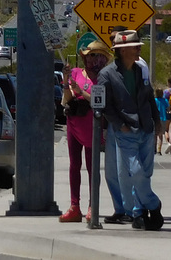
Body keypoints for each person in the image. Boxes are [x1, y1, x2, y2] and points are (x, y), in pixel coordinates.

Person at [98, 29, 163, 231]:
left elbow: (149, 96)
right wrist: (120, 125)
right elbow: (104, 106)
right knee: (134, 171)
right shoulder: (106, 75)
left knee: (145, 172)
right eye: (135, 47)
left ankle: (139, 212)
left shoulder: (140, 71)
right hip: (125, 132)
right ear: (123, 50)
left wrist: (157, 121)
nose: (138, 50)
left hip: (146, 128)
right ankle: (154, 204)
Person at [59, 40, 113, 223]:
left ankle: (93, 206)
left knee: (92, 167)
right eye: (91, 55)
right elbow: (66, 99)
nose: (94, 59)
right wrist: (67, 83)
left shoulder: (104, 78)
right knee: (74, 164)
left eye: (98, 55)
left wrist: (80, 90)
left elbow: (100, 101)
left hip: (93, 124)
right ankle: (75, 206)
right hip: (74, 121)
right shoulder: (75, 73)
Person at [162, 77, 171, 155]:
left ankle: (168, 143)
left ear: (169, 83)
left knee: (166, 130)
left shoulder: (166, 92)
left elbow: (164, 102)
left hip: (167, 112)